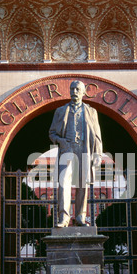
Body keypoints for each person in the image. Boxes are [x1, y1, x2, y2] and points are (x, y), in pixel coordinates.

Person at [49, 80, 102, 227]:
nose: (74, 92)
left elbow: (97, 134)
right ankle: (64, 218)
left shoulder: (91, 111)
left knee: (82, 185)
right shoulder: (60, 111)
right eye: (72, 89)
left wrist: (97, 154)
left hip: (84, 149)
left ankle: (80, 217)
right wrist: (60, 141)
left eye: (78, 89)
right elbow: (51, 133)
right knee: (64, 183)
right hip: (67, 150)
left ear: (84, 92)